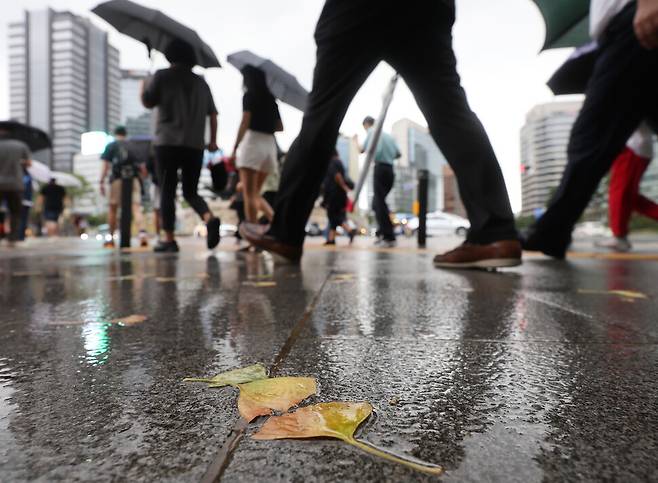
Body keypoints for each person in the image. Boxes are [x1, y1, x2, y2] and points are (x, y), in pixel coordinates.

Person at [241, 0, 521, 268]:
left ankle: (286, 234)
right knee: (450, 110)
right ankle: (495, 233)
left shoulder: (372, 135)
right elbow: (397, 153)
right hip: (429, 6)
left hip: (357, 8)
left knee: (322, 117)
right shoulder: (386, 137)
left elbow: (365, 150)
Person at [523, 0, 658, 258]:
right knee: (592, 138)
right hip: (624, 30)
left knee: (590, 136)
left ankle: (552, 232)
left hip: (631, 26)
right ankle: (553, 231)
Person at [141, 38, 221, 253]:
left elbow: (148, 102)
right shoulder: (201, 82)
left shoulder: (162, 76)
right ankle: (209, 217)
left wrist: (144, 85)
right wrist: (212, 140)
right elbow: (213, 114)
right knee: (190, 191)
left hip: (167, 142)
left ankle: (169, 239)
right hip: (195, 144)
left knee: (167, 190)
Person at [232, 66, 283, 227]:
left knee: (249, 195)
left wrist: (235, 146)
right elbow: (280, 127)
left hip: (253, 143)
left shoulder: (249, 96)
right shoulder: (271, 99)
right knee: (255, 194)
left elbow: (245, 121)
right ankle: (278, 225)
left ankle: (253, 236)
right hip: (269, 146)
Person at [596, 123, 658, 252]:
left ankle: (619, 237)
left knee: (619, 193)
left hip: (632, 145)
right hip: (638, 144)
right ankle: (619, 236)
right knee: (631, 198)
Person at [99, 126, 149, 248]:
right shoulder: (134, 146)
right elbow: (143, 169)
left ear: (115, 134)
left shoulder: (111, 146)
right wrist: (141, 179)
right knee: (136, 208)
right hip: (134, 179)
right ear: (126, 134)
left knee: (113, 208)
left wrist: (101, 181)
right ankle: (142, 234)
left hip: (117, 179)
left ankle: (110, 238)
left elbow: (105, 166)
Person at [357, 116, 401, 247]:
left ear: (366, 124)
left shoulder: (372, 132)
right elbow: (398, 154)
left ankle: (388, 236)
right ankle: (382, 232)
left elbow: (362, 150)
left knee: (379, 203)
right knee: (377, 203)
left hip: (380, 168)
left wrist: (355, 141)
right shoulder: (389, 136)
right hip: (390, 170)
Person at [0, 127, 30, 246]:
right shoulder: (20, 145)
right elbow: (29, 163)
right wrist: (20, 162)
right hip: (16, 184)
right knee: (15, 212)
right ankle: (13, 238)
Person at [322, 149, 355, 246]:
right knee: (334, 215)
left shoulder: (333, 162)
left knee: (333, 215)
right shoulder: (339, 162)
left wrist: (344, 187)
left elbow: (337, 175)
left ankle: (349, 230)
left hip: (334, 194)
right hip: (339, 195)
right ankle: (331, 239)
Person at [19, 166, 33, 240]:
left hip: (16, 200)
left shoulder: (16, 176)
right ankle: (21, 236)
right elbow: (31, 190)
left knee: (15, 217)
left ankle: (15, 236)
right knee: (23, 219)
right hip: (26, 202)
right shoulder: (28, 178)